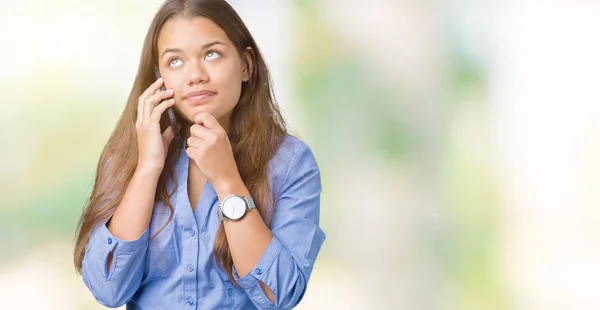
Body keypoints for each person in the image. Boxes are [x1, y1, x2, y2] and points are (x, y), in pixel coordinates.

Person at [72, 0, 325, 309]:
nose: (195, 76)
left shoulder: (290, 163)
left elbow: (279, 295)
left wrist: (227, 180)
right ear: (158, 76)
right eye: (175, 61)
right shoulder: (128, 156)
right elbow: (107, 290)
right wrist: (148, 168)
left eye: (211, 54)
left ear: (246, 66)